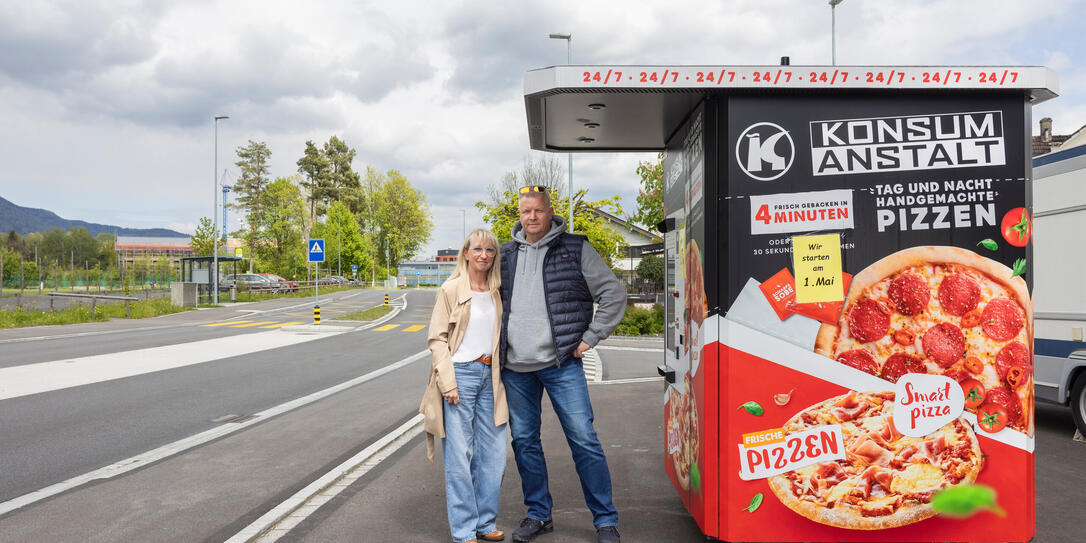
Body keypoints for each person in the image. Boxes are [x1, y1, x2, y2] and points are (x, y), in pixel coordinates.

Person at [499, 186, 627, 543]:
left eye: (538, 210)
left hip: (561, 364)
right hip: (516, 368)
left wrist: (590, 337)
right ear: (519, 214)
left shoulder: (575, 248)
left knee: (584, 440)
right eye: (526, 211)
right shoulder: (505, 253)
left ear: (550, 211)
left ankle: (605, 520)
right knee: (524, 442)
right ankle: (539, 514)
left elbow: (613, 294)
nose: (532, 217)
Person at [420, 228, 509, 543]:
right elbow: (437, 338)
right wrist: (448, 383)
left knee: (495, 455)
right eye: (478, 249)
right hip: (460, 376)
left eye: (489, 250)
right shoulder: (451, 289)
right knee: (460, 456)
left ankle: (486, 523)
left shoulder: (497, 290)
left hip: (492, 377)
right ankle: (464, 530)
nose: (484, 255)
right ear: (466, 253)